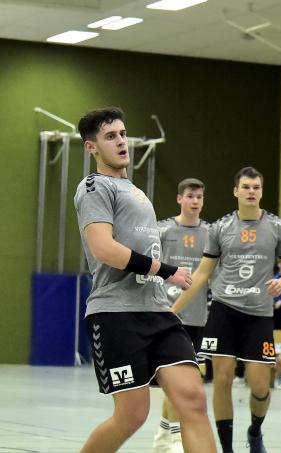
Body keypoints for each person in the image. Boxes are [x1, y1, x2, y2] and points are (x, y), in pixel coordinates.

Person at [73, 108, 215, 453]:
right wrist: (165, 269)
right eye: (110, 136)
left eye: (122, 134)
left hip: (158, 312)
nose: (121, 141)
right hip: (116, 314)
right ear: (92, 148)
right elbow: (104, 249)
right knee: (132, 415)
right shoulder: (94, 187)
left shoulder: (133, 190)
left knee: (193, 402)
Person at [172, 166, 281, 453]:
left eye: (256, 187)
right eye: (246, 187)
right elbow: (202, 274)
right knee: (222, 379)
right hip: (224, 310)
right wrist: (173, 309)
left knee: (260, 386)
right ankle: (226, 449)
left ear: (261, 191)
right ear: (236, 191)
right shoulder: (220, 228)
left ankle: (255, 432)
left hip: (259, 314)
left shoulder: (278, 227)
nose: (252, 192)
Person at [153, 178, 210, 453]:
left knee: (186, 379)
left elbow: (212, 275)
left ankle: (165, 434)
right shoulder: (163, 230)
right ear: (180, 199)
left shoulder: (210, 234)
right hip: (166, 315)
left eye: (199, 197)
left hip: (196, 317)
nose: (195, 201)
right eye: (190, 196)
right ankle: (174, 436)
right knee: (179, 380)